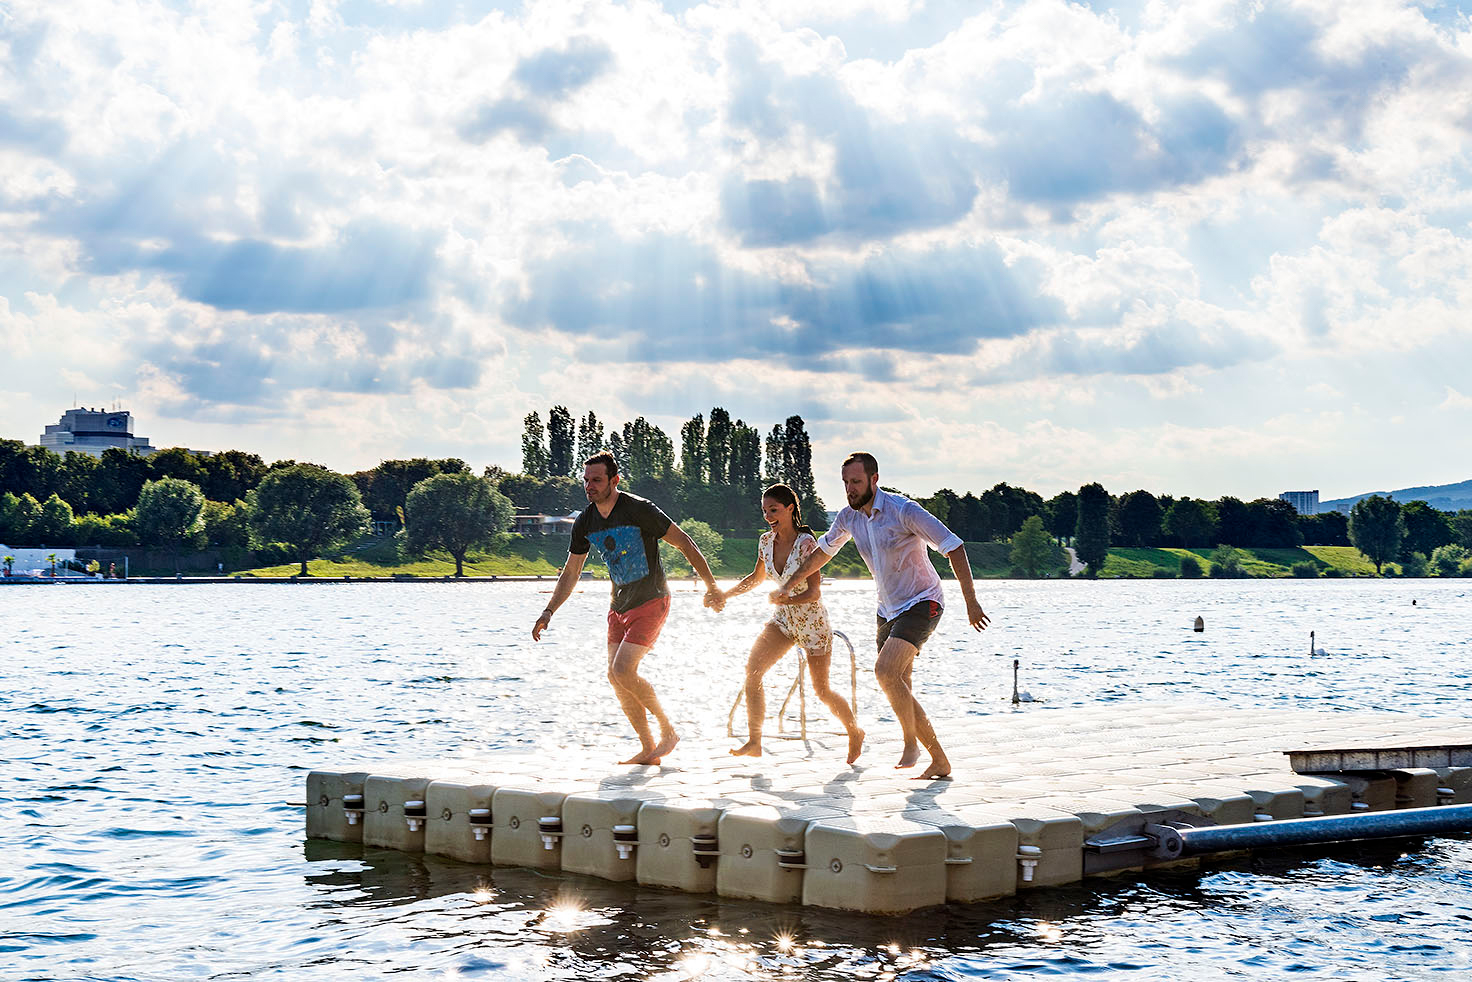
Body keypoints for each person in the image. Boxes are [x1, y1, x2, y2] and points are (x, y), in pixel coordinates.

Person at [772, 452, 988, 780]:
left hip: (922, 601)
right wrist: (789, 584)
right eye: (846, 483)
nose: (850, 489)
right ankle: (927, 754)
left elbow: (954, 546)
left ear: (874, 479)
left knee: (885, 672)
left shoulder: (903, 511)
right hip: (886, 609)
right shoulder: (848, 517)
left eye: (856, 482)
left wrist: (971, 603)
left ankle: (930, 753)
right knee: (899, 681)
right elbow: (822, 553)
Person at [533, 451, 724, 765]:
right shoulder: (585, 521)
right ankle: (648, 748)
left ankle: (668, 731)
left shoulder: (639, 509)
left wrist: (712, 586)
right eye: (586, 480)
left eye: (597, 480)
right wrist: (548, 611)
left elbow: (685, 542)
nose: (590, 486)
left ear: (614, 480)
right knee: (615, 676)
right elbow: (571, 572)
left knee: (623, 670)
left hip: (652, 600)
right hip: (618, 605)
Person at [718, 484, 864, 763]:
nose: (768, 516)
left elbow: (814, 593)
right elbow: (755, 578)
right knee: (753, 673)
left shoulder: (807, 543)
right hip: (783, 622)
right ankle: (755, 741)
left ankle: (854, 731)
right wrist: (725, 595)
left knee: (822, 690)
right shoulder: (765, 541)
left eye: (773, 510)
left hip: (812, 624)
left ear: (790, 508)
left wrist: (788, 598)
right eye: (764, 511)